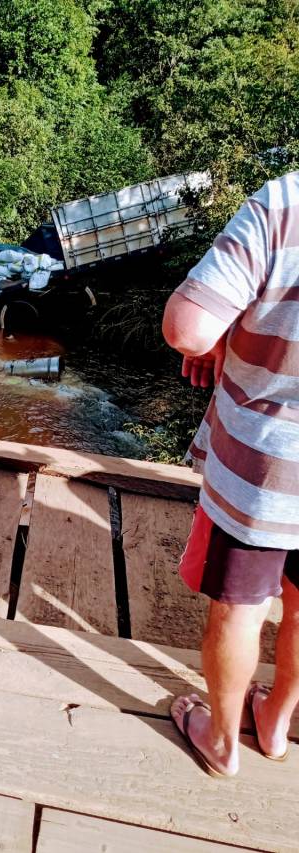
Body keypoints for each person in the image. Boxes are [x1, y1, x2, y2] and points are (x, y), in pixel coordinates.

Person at [162, 170, 299, 777]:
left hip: (266, 467)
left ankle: (220, 740)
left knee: (240, 606)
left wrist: (211, 340)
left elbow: (188, 327)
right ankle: (274, 724)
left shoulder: (286, 203)